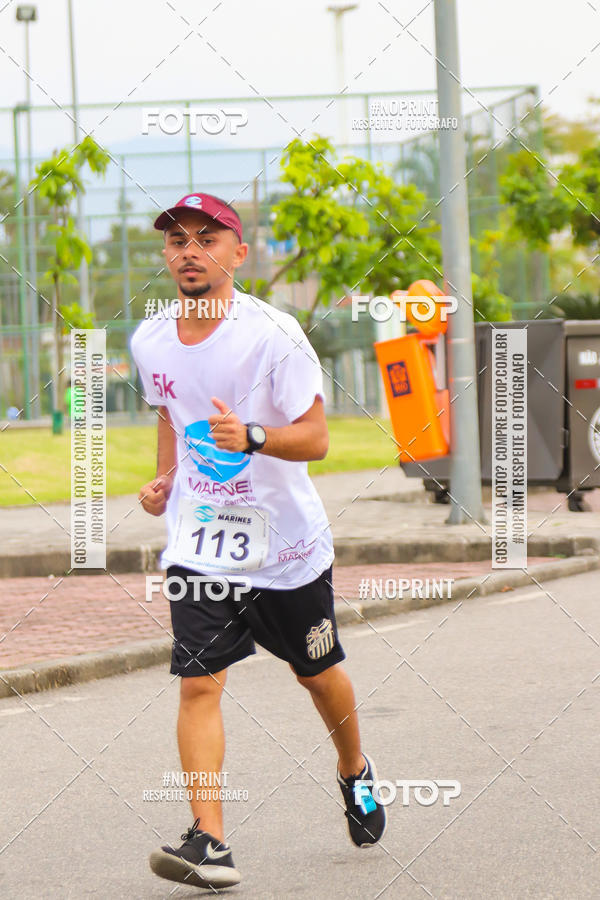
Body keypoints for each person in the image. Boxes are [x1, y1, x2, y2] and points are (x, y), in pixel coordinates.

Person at [130, 192, 386, 891]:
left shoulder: (275, 336)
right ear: (166, 256)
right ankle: (209, 841)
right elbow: (173, 413)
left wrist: (255, 436)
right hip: (200, 543)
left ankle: (355, 772)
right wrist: (165, 477)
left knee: (318, 675)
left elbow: (318, 438)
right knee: (197, 686)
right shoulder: (152, 338)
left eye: (207, 239)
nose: (190, 250)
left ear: (238, 254)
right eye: (177, 239)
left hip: (284, 548)